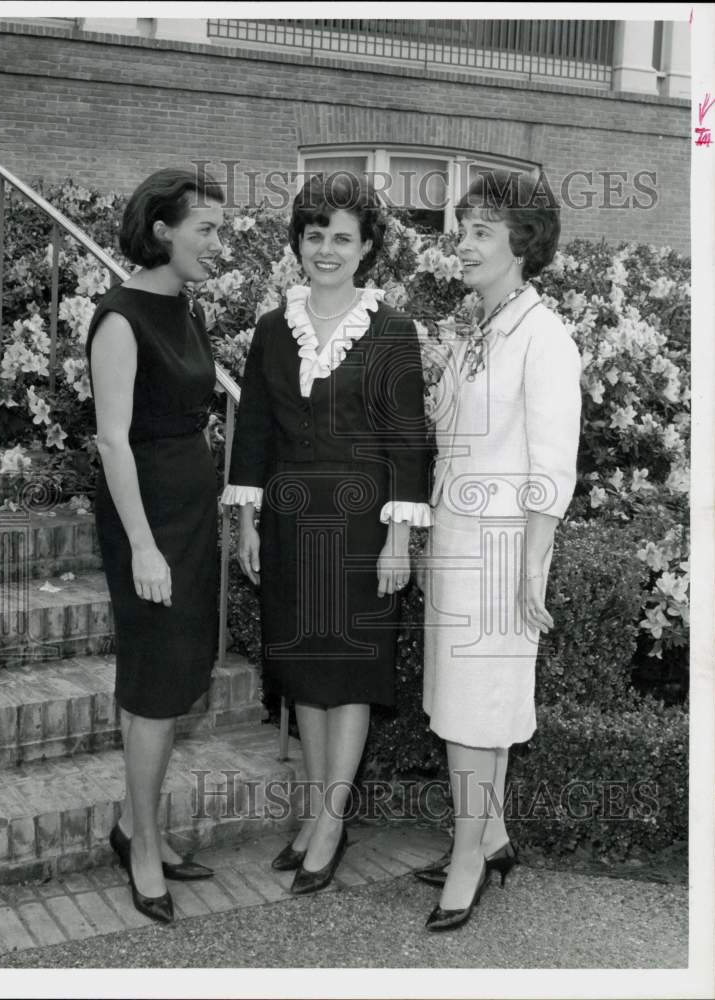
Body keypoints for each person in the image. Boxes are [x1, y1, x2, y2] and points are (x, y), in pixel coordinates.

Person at [221, 173, 431, 895]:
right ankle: (314, 812)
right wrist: (247, 522)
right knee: (304, 671)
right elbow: (251, 430)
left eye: (342, 236)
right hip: (288, 525)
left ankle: (333, 825)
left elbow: (409, 443)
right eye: (315, 236)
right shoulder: (273, 329)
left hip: (362, 530)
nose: (327, 249)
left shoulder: (395, 332)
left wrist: (400, 539)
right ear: (299, 244)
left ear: (367, 246)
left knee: (350, 677)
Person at [416, 170, 582, 931]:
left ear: (522, 245)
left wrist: (528, 570)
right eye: (465, 228)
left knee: (475, 715)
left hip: (503, 551)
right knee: (464, 704)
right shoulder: (477, 325)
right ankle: (493, 835)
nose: (466, 244)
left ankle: (468, 857)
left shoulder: (545, 338)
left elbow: (552, 468)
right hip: (457, 538)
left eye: (482, 231)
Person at [86, 167, 225, 924]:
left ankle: (141, 825)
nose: (217, 242)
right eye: (205, 227)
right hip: (146, 520)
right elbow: (113, 440)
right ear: (164, 229)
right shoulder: (119, 318)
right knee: (152, 683)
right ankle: (140, 851)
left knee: (178, 680)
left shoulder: (186, 309)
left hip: (191, 514)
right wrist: (142, 546)